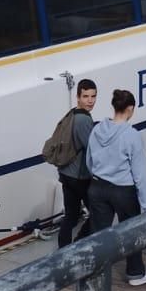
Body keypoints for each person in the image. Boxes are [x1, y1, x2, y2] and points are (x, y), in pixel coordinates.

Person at [85, 89, 146, 285]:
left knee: (98, 234)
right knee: (131, 231)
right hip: (123, 190)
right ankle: (135, 273)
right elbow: (139, 173)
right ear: (130, 108)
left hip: (97, 187)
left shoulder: (97, 129)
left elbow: (89, 160)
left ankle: (95, 274)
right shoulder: (131, 135)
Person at [53, 79, 98, 248]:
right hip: (80, 177)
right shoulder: (84, 120)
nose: (90, 100)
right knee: (97, 214)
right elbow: (91, 148)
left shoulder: (72, 114)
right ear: (78, 97)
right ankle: (79, 244)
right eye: (86, 96)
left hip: (65, 174)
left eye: (93, 96)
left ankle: (63, 251)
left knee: (71, 216)